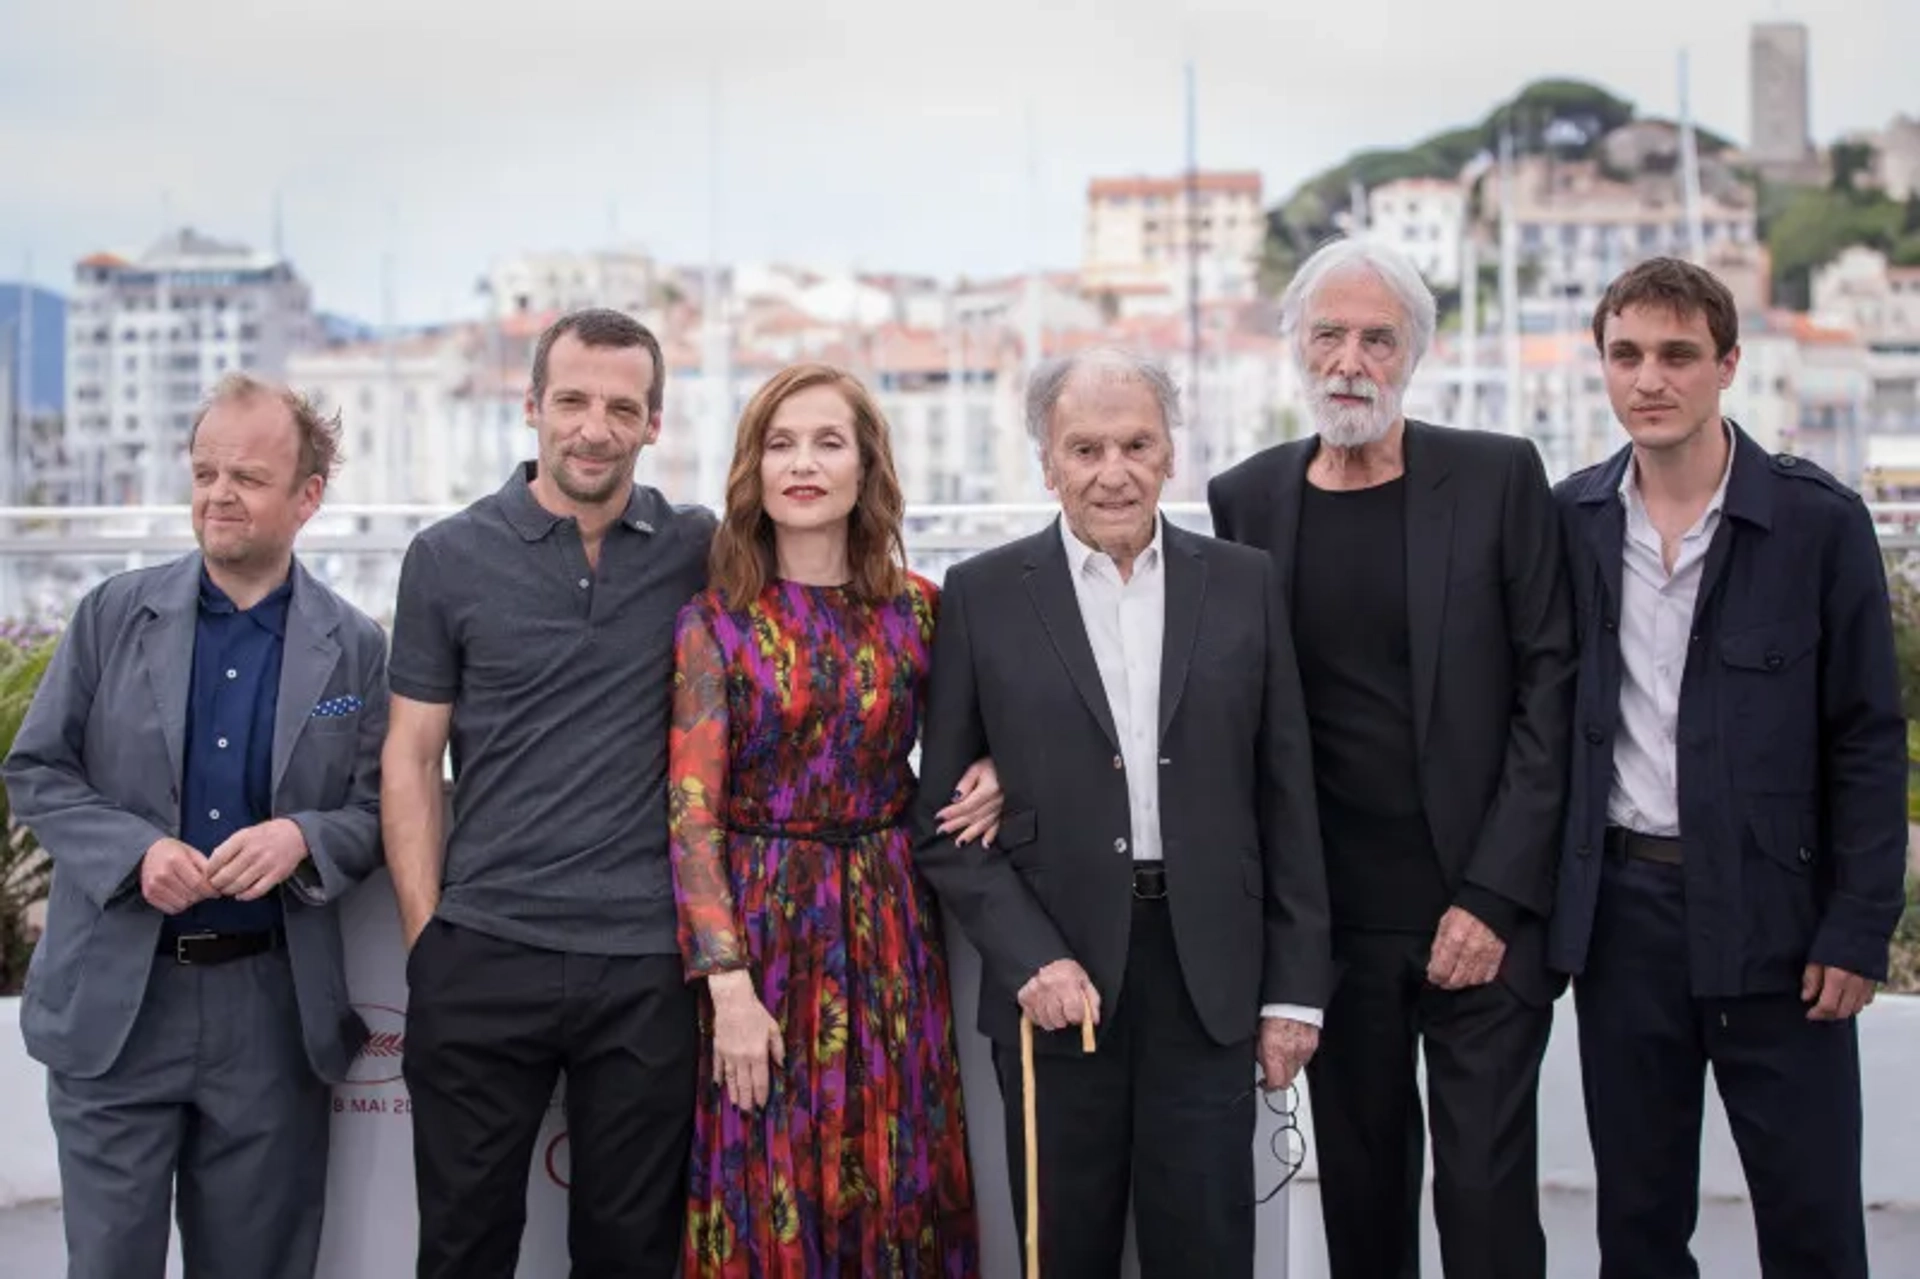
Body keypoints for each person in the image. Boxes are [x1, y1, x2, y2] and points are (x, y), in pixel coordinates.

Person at [912, 347, 1330, 1279]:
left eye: (1137, 443)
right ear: (1047, 462)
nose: (1114, 472)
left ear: (1172, 452)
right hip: (1054, 988)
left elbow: (1287, 798)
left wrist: (1294, 992)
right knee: (1062, 1253)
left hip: (1211, 979)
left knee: (1210, 1252)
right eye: (1086, 447)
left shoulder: (1244, 582)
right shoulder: (981, 595)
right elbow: (940, 826)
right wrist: (1031, 956)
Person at [1207, 237, 1575, 1279]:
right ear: (1294, 347)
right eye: (1329, 334)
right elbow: (1217, 696)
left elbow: (1554, 692)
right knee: (1364, 1208)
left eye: (1378, 338)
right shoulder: (1250, 499)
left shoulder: (1499, 476)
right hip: (1335, 931)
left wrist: (1495, 898)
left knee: (1487, 1201)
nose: (1351, 360)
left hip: (1483, 917)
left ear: (1416, 352)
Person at [1551, 257, 1906, 1279]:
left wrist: (1857, 927)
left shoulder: (1817, 524)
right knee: (1641, 1230)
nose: (1649, 379)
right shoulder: (1569, 523)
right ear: (1604, 368)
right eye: (1626, 355)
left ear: (1728, 365)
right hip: (1625, 924)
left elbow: (1868, 737)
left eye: (1676, 355)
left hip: (1782, 930)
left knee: (1813, 1227)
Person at [3, 373, 389, 1279]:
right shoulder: (109, 614)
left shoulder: (357, 645)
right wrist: (134, 851)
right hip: (116, 1009)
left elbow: (378, 812)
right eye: (205, 470)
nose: (218, 494)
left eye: (247, 477)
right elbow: (36, 769)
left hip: (271, 1013)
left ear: (307, 499)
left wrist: (304, 837)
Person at [382, 309, 712, 1278]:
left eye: (621, 406)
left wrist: (980, 749)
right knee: (462, 1246)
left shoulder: (700, 549)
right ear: (530, 406)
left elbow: (828, 609)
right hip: (483, 952)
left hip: (647, 964)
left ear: (655, 423)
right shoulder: (447, 557)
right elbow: (410, 756)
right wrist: (426, 941)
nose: (593, 427)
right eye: (571, 400)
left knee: (631, 1253)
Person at [669, 362, 1001, 1277]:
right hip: (763, 941)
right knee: (764, 1184)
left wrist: (998, 769)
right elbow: (691, 816)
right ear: (754, 471)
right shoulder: (716, 622)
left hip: (890, 928)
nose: (803, 463)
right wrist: (726, 987)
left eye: (827, 442)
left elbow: (995, 732)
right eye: (781, 444)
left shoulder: (921, 611)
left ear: (867, 468)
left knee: (898, 1181)